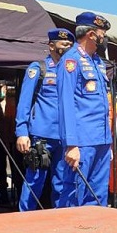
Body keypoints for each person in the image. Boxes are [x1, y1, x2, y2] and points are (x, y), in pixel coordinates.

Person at [15, 28, 76, 211]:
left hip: (65, 137)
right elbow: (24, 102)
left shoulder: (72, 71)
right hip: (42, 135)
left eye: (70, 45)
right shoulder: (39, 68)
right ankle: (24, 218)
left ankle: (61, 221)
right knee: (34, 182)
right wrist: (22, 132)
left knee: (63, 183)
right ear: (51, 46)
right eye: (64, 44)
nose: (68, 48)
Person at [57, 11, 112, 207]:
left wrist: (109, 139)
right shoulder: (71, 60)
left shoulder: (97, 61)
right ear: (91, 34)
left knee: (98, 195)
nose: (104, 38)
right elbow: (66, 104)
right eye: (102, 34)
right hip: (82, 140)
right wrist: (71, 144)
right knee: (75, 193)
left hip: (102, 139)